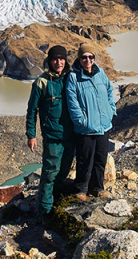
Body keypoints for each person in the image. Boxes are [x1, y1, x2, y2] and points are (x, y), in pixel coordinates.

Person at [25, 45, 75, 216]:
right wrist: (31, 135)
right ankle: (44, 212)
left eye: (61, 59)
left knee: (64, 170)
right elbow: (32, 110)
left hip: (70, 135)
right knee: (49, 173)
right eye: (55, 59)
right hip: (52, 136)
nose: (58, 62)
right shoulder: (42, 82)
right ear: (49, 61)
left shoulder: (70, 78)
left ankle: (53, 199)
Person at [65, 42, 116, 201]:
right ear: (79, 59)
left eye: (90, 57)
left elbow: (109, 90)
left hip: (103, 125)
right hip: (85, 129)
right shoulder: (73, 77)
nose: (87, 60)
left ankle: (97, 188)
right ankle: (81, 189)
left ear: (93, 58)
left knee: (101, 158)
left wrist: (111, 111)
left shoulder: (100, 73)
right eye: (84, 57)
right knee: (84, 159)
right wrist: (82, 121)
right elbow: (72, 103)